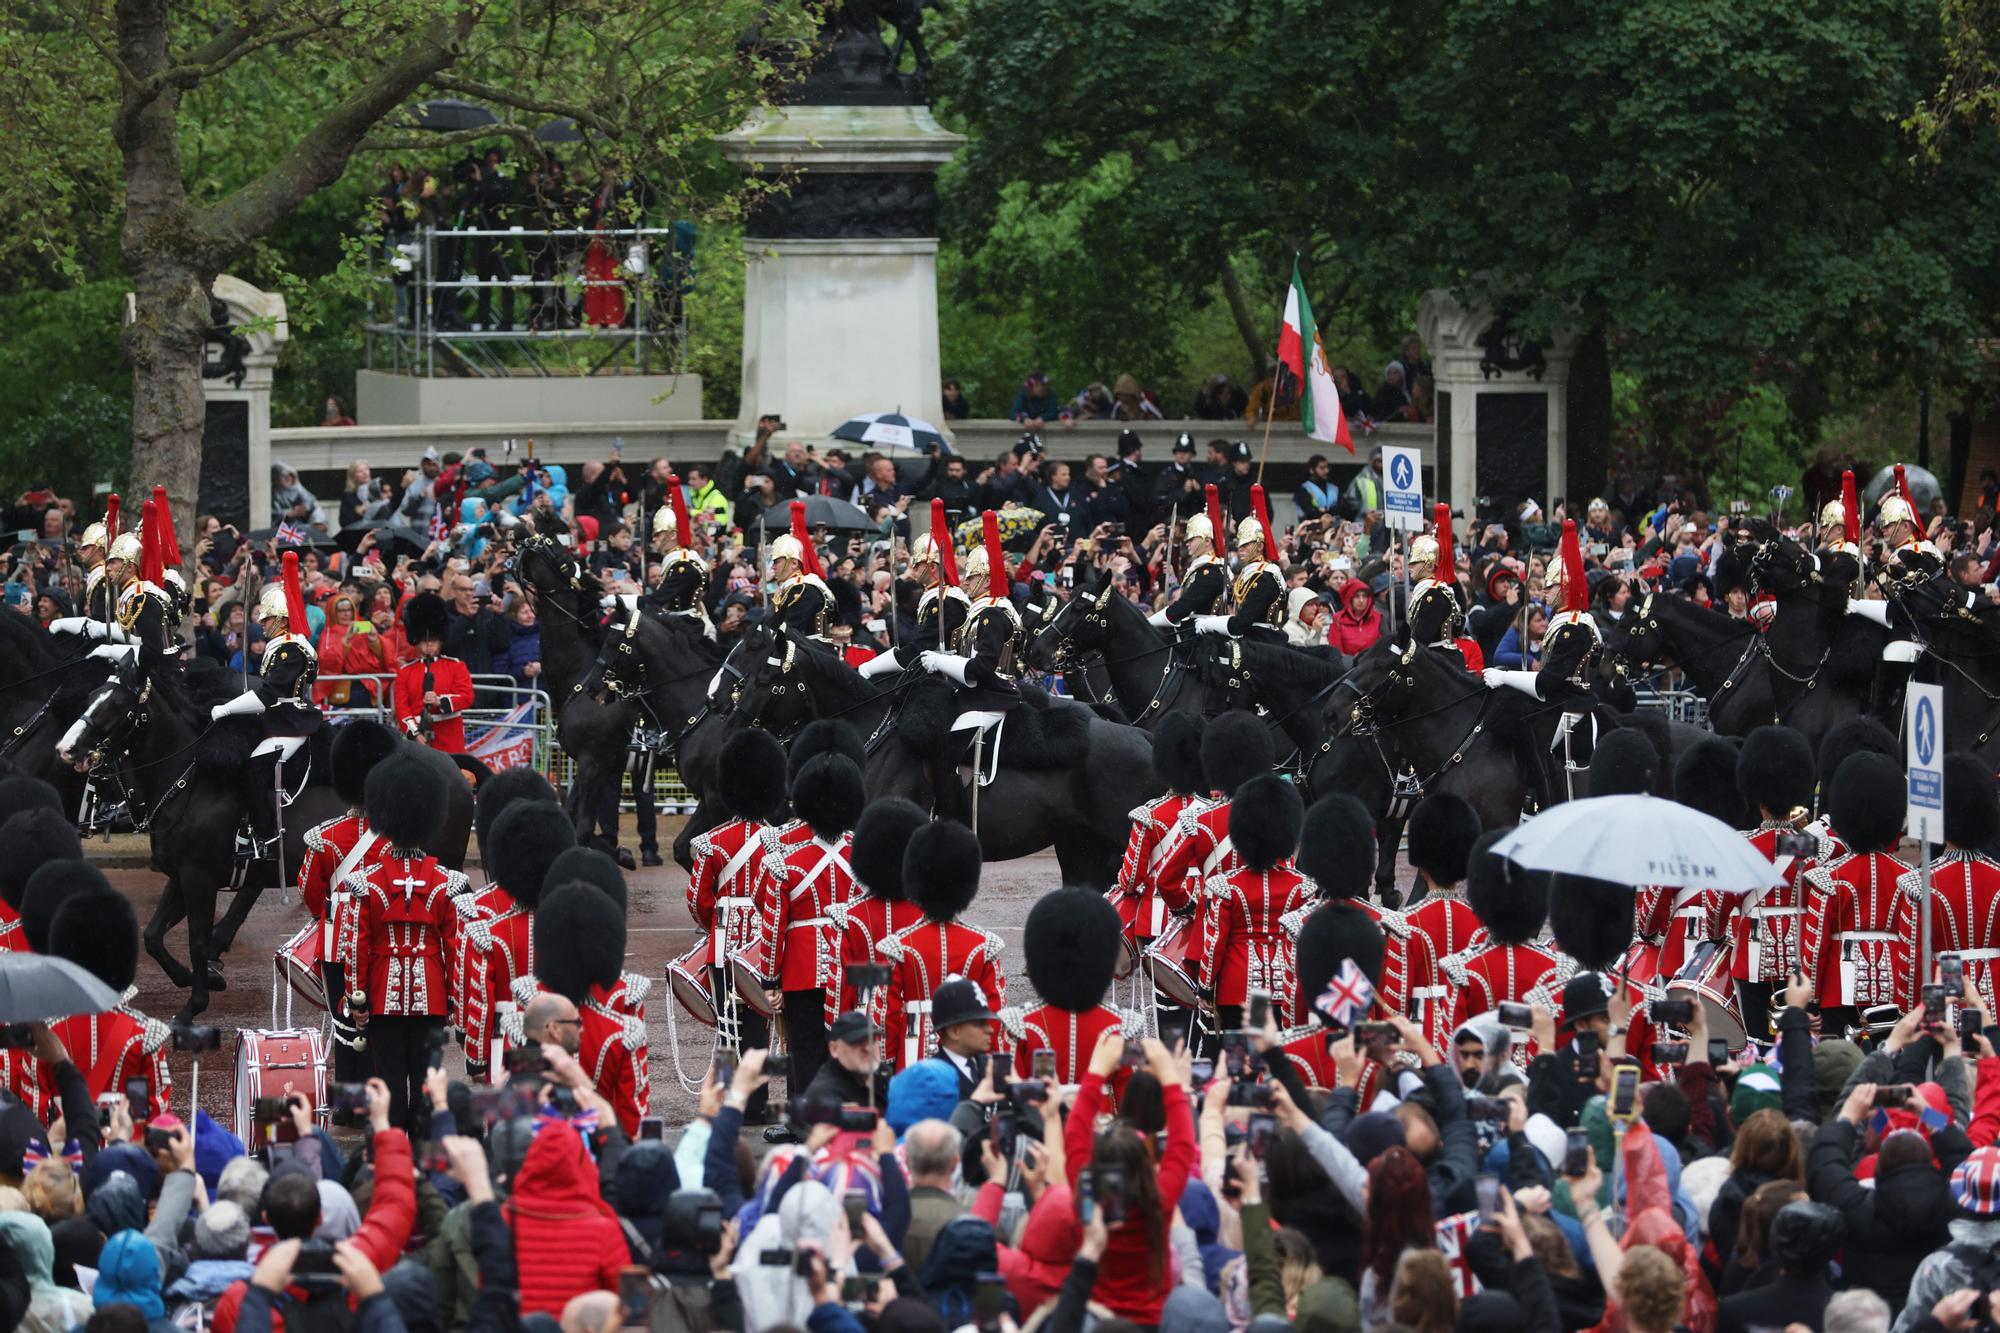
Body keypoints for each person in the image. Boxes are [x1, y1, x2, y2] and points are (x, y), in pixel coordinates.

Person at [347, 749, 465, 1132]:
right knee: (427, 1079)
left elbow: (357, 948)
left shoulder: (368, 882)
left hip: (382, 995)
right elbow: (454, 949)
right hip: (431, 994)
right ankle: (425, 1153)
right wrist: (453, 999)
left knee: (391, 1080)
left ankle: (394, 1149)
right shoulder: (446, 882)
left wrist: (356, 998)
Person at [681, 729, 788, 1117]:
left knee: (727, 1025)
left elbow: (697, 901)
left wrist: (717, 923)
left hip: (723, 942)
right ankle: (755, 1101)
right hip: (760, 944)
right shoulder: (776, 841)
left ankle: (728, 1097)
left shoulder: (712, 841)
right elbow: (779, 895)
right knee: (758, 1022)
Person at [295, 720, 400, 1088]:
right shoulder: (394, 838)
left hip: (337, 939)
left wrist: (329, 916)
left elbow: (309, 889)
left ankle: (347, 1097)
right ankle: (378, 1090)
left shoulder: (326, 837)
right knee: (379, 1013)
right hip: (384, 940)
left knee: (343, 1016)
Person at [757, 753, 865, 1105]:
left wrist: (769, 979)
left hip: (802, 967)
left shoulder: (785, 862)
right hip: (853, 965)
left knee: (804, 1047)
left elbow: (773, 927)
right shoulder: (861, 853)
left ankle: (806, 1120)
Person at [207, 551, 321, 854]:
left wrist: (228, 708)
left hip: (291, 720)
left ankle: (266, 833)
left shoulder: (290, 650)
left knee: (256, 767)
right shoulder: (280, 646)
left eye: (268, 618)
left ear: (282, 619)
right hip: (276, 717)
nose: (263, 623)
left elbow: (269, 694)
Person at [878, 821, 1005, 1073]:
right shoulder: (984, 945)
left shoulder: (898, 946)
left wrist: (886, 1062)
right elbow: (994, 1016)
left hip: (912, 1058)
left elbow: (886, 1016)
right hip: (969, 1056)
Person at [461, 796, 572, 1082]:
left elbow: (482, 1004)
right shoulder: (570, 928)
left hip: (506, 1045)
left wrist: (476, 1059)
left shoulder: (492, 934)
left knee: (508, 1122)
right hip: (559, 1043)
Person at [1004, 887, 1141, 1090]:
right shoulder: (1124, 1027)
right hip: (1100, 1119)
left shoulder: (1019, 1025)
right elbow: (1135, 1104)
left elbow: (1006, 1097)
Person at [1201, 777, 1311, 1030]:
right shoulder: (1303, 887)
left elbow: (1215, 943)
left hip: (1238, 989)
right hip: (1286, 987)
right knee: (1280, 1063)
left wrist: (1205, 988)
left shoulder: (1226, 886)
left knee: (1240, 1066)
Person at [858, 500, 970, 680]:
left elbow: (921, 647)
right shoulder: (936, 596)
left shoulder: (945, 600)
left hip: (946, 677)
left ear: (932, 568)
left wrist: (870, 668)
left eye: (917, 564)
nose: (912, 567)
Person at [394, 592, 473, 753]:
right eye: (424, 641)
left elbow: (466, 697)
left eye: (433, 641)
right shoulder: (405, 672)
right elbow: (402, 708)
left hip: (449, 735)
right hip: (419, 737)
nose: (429, 645)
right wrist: (414, 733)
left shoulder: (455, 666)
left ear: (441, 640)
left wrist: (440, 701)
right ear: (416, 642)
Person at [767, 501, 835, 641]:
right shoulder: (789, 588)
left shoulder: (802, 590)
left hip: (810, 652)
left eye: (777, 562)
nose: (773, 567)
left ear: (793, 563)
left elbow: (791, 631)